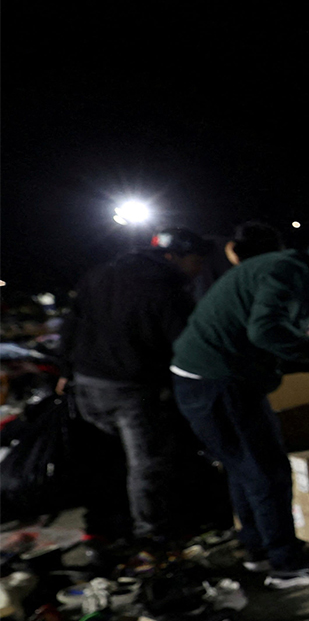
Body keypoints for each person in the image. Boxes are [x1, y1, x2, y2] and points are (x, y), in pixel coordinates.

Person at [170, 234, 309, 588]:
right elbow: (266, 331)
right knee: (267, 470)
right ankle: (285, 563)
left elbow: (265, 337)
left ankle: (258, 550)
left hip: (210, 378)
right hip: (219, 381)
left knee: (243, 467)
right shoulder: (288, 273)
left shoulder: (286, 268)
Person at [57, 227, 213, 558]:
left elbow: (71, 323)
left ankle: (106, 531)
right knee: (146, 465)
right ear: (174, 257)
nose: (198, 270)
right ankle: (152, 538)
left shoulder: (102, 273)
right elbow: (183, 345)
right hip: (129, 389)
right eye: (196, 261)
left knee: (109, 463)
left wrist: (65, 371)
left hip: (86, 384)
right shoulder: (166, 289)